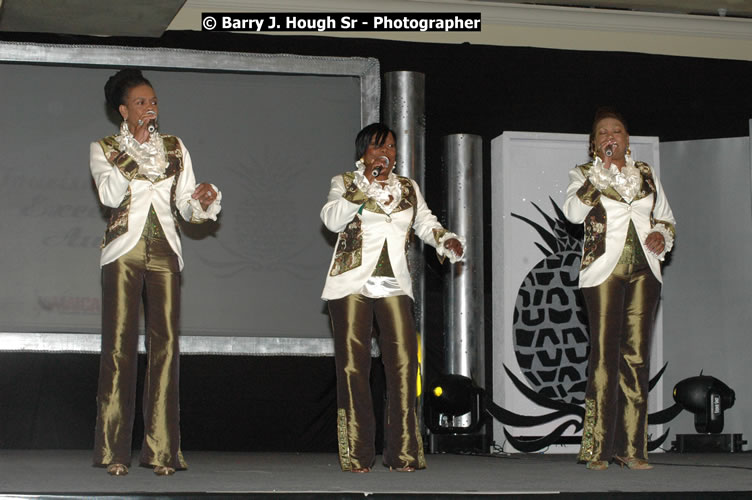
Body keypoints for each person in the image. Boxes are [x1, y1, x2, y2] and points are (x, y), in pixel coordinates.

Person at [90, 69, 222, 476]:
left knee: (165, 348)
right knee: (119, 347)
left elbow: (185, 205)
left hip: (165, 249)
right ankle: (113, 451)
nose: (151, 109)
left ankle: (162, 451)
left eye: (154, 102)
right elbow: (110, 195)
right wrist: (134, 153)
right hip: (124, 251)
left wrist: (203, 200)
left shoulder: (175, 147)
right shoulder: (104, 148)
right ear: (124, 110)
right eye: (142, 103)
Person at [320, 123, 465, 473]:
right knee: (355, 368)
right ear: (363, 153)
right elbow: (330, 219)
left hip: (394, 284)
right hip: (352, 281)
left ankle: (403, 453)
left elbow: (425, 222)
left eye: (391, 146)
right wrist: (364, 186)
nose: (385, 152)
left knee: (403, 365)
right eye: (377, 146)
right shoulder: (345, 183)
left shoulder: (407, 188)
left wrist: (445, 240)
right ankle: (357, 453)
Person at [563, 108, 676, 471]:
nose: (611, 135)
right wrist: (600, 175)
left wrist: (662, 234)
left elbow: (665, 217)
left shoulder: (645, 173)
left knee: (637, 357)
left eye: (618, 131)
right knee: (604, 359)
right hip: (603, 273)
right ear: (594, 143)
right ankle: (598, 448)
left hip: (645, 270)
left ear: (628, 139)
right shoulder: (583, 174)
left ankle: (632, 447)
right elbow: (572, 214)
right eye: (603, 133)